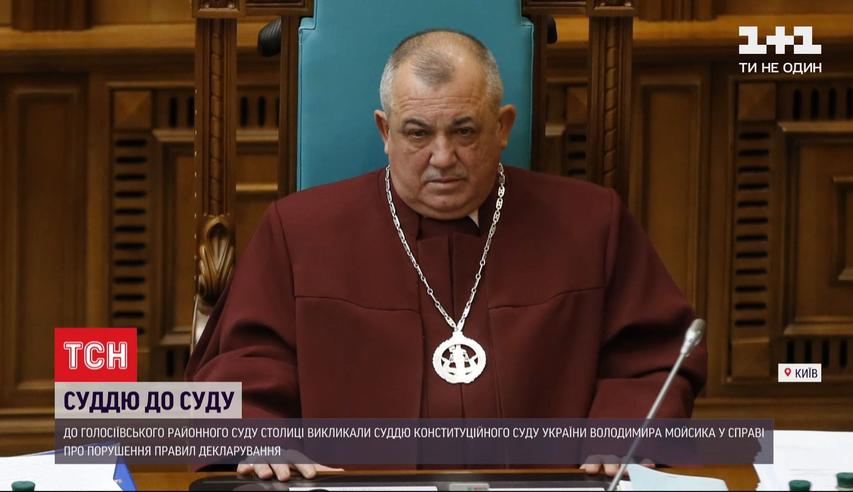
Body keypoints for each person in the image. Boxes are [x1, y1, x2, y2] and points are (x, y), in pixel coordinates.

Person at [185, 29, 707, 481]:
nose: (442, 158)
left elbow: (653, 358)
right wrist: (258, 436)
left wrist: (623, 433)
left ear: (502, 127)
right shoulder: (298, 232)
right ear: (385, 132)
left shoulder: (590, 223)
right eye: (418, 133)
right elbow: (242, 365)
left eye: (464, 131)